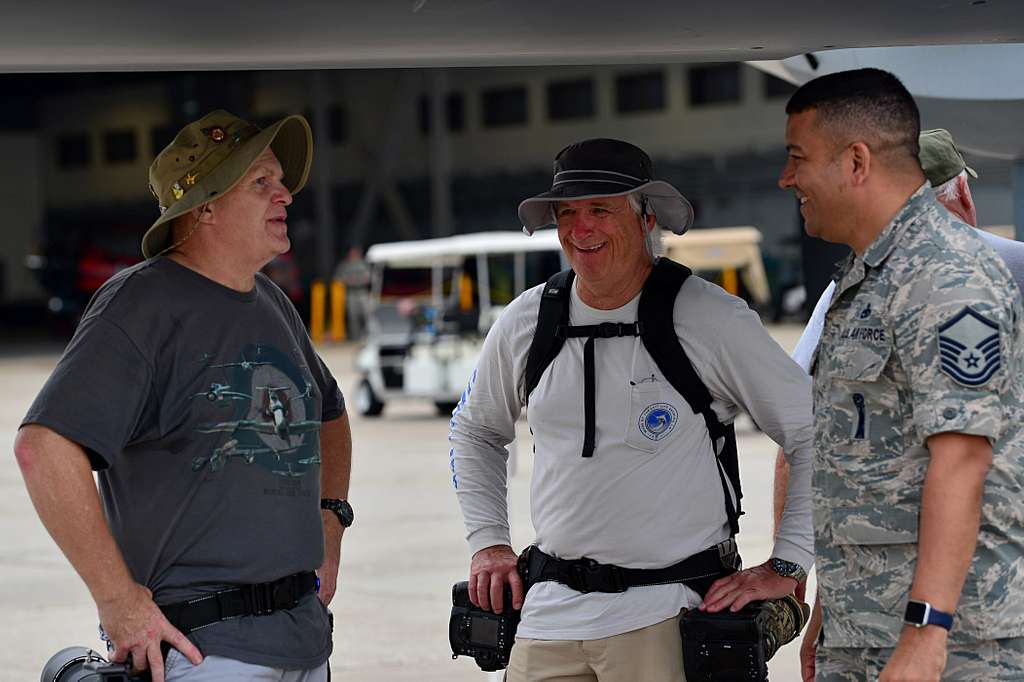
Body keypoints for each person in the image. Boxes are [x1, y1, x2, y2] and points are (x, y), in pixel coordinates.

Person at [448, 137, 816, 681]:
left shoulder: (711, 318)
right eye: (567, 212)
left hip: (663, 619)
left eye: (601, 209)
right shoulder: (527, 321)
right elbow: (474, 431)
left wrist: (787, 563)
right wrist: (488, 544)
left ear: (646, 218)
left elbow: (816, 434)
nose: (581, 228)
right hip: (547, 620)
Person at [14, 110, 353, 682]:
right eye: (261, 183)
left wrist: (330, 519)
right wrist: (117, 601)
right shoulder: (140, 305)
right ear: (206, 208)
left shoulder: (271, 304)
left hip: (303, 643)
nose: (286, 195)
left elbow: (330, 415)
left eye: (281, 180)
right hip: (205, 654)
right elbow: (42, 449)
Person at [777, 68, 1024, 681]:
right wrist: (829, 611)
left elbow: (962, 459)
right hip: (864, 631)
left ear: (856, 162)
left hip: (956, 642)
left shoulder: (947, 277)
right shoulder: (861, 283)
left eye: (798, 158)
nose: (787, 179)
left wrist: (925, 632)